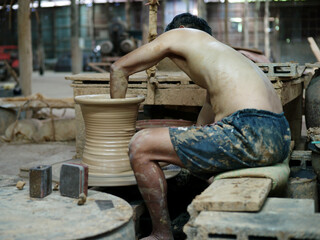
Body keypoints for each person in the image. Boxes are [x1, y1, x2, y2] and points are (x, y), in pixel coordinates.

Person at [110, 13, 291, 240]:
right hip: (278, 136)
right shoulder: (226, 59)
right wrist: (164, 153)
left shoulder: (180, 34)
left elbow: (119, 68)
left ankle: (161, 233)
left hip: (249, 131)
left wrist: (117, 139)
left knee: (140, 144)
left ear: (183, 29)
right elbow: (201, 129)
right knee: (165, 154)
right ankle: (183, 215)